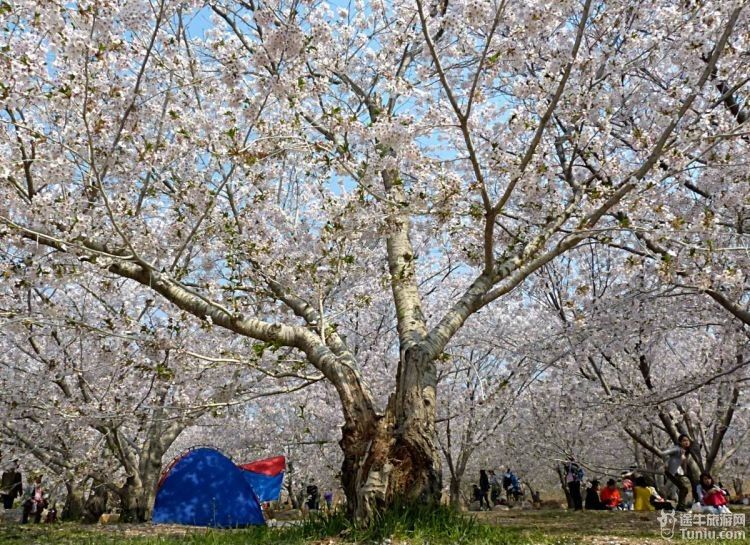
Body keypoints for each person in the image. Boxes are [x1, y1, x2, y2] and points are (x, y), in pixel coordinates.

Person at [660, 434, 693, 511]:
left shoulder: (685, 451)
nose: (686, 442)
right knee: (681, 488)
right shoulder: (677, 449)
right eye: (684, 440)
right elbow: (663, 453)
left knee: (682, 489)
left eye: (687, 440)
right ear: (680, 442)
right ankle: (676, 506)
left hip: (678, 473)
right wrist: (666, 463)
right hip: (672, 472)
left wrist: (685, 471)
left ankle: (679, 506)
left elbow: (682, 463)